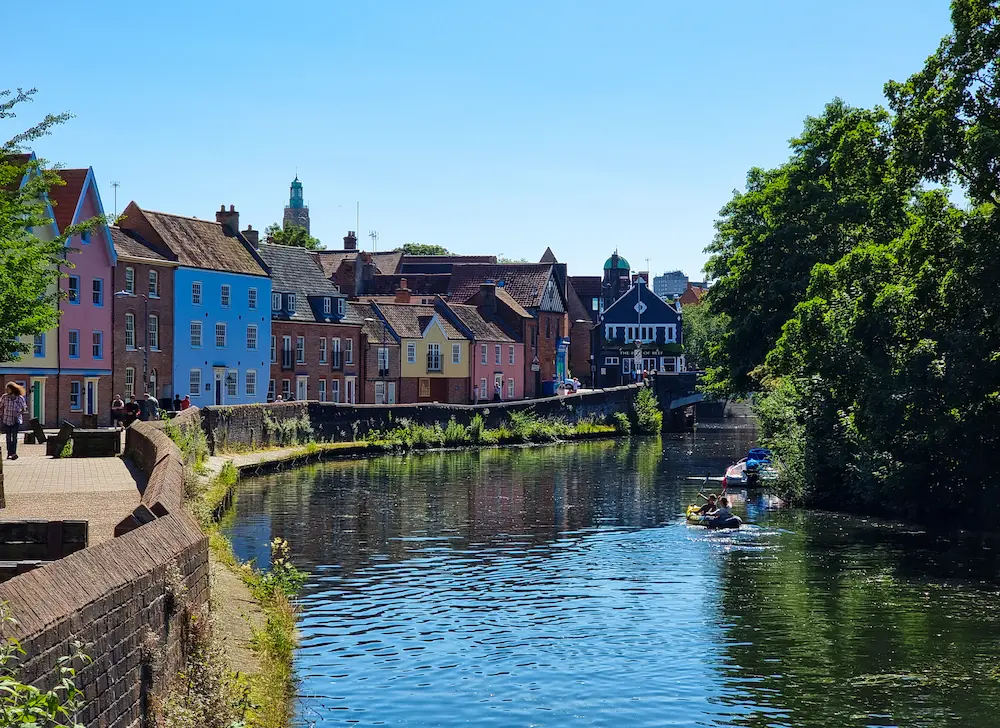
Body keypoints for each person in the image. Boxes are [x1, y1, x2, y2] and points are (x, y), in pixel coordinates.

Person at [0, 382, 27, 460]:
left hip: (15, 420)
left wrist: (20, 411)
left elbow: (24, 408)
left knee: (14, 437)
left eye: (8, 389)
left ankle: (14, 453)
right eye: (6, 389)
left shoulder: (20, 398)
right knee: (8, 437)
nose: (7, 391)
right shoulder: (4, 397)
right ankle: (9, 453)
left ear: (13, 389)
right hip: (6, 419)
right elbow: (1, 406)